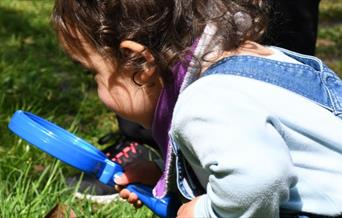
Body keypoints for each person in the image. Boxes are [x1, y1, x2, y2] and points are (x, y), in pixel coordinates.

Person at [52, 0, 342, 217]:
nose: (97, 90)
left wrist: (206, 211)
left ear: (139, 64)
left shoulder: (203, 101)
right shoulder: (243, 65)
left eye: (94, 73)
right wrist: (168, 180)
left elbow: (259, 179)